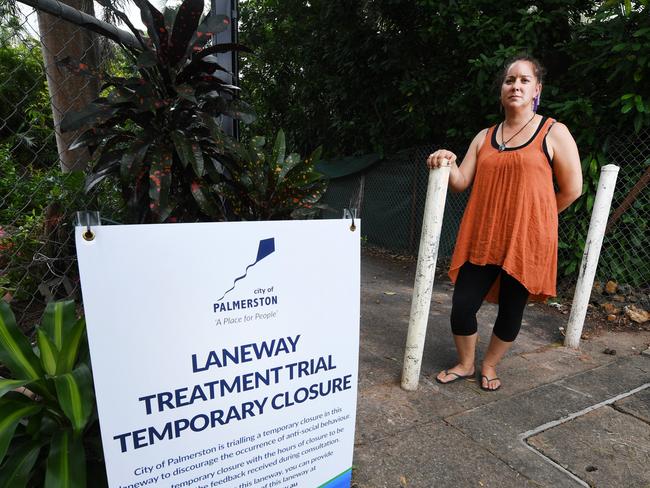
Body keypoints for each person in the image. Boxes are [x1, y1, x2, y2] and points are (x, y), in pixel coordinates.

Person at [426, 55, 582, 391]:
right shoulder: (484, 136)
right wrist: (446, 158)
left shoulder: (554, 131)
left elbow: (572, 189)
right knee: (462, 306)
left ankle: (490, 365)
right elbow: (460, 181)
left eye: (525, 80)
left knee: (511, 311)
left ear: (536, 89)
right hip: (482, 237)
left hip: (526, 241)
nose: (516, 86)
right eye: (510, 80)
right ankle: (466, 364)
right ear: (501, 91)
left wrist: (536, 222)